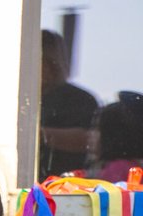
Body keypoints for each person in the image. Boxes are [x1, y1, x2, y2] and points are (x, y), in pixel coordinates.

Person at [39, 30, 99, 180]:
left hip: (71, 189)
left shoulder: (79, 99)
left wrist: (39, 135)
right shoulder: (20, 98)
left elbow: (89, 140)